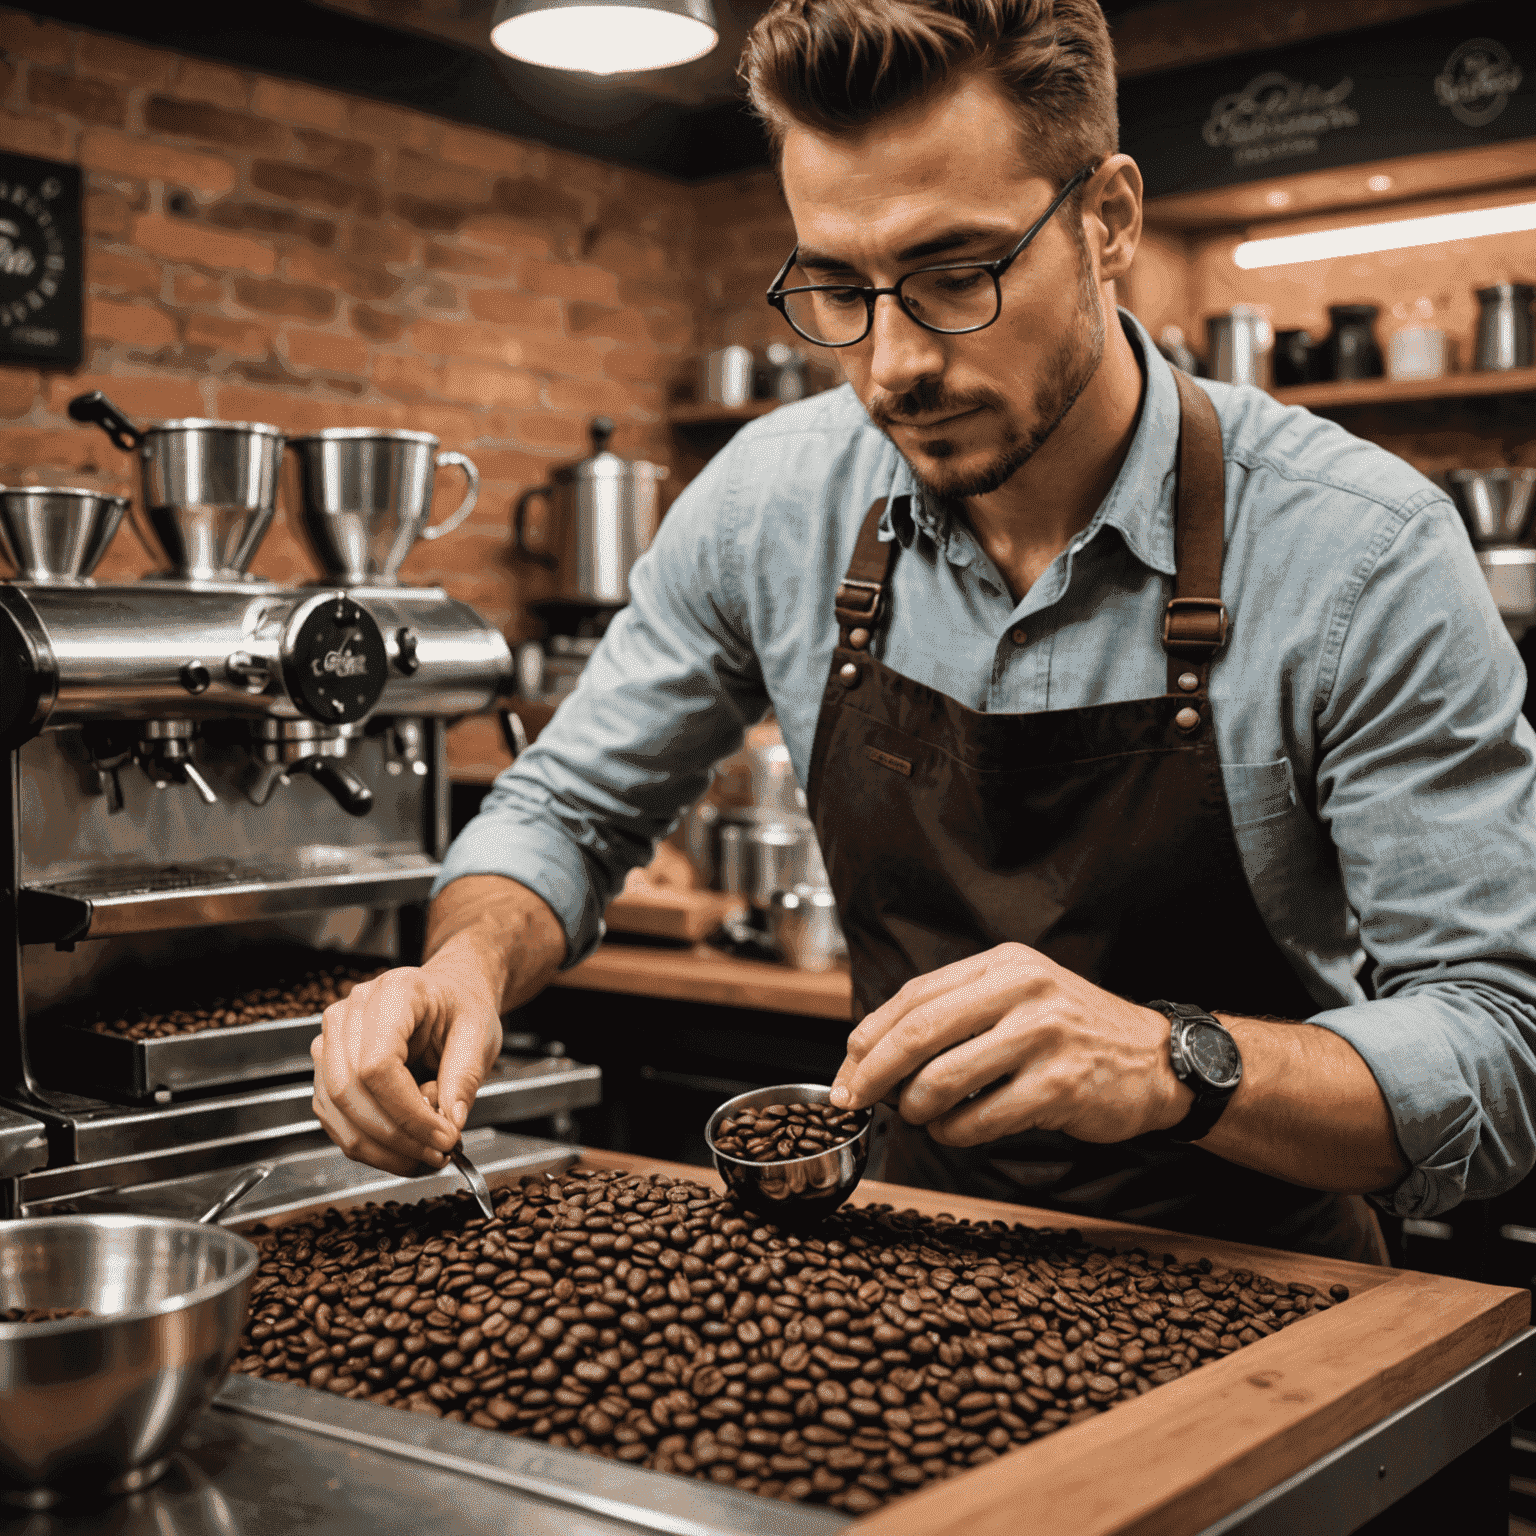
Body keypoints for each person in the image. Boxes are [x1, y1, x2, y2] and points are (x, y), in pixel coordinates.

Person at [312, 0, 1536, 1261]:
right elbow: (567, 808)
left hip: (1263, 1282)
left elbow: (1501, 1047)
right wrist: (462, 968)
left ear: (1107, 221)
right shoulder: (771, 503)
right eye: (837, 288)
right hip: (906, 1253)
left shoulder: (1362, 550)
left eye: (957, 276)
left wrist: (1181, 1061)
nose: (891, 365)